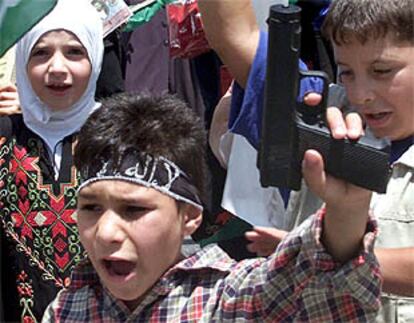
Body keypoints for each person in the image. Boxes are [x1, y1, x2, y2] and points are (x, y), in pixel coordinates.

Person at [42, 92, 381, 321]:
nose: (106, 232)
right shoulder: (68, 307)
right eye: (91, 208)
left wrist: (346, 212)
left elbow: (323, 292)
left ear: (189, 217)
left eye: (133, 210)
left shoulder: (227, 300)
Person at [200, 0, 414, 322]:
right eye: (347, 73)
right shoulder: (321, 116)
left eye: (381, 71)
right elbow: (235, 34)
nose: (362, 93)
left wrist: (310, 254)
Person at [0, 0, 104, 321]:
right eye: (40, 53)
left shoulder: (122, 138)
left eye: (74, 52)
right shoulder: (4, 134)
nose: (57, 68)